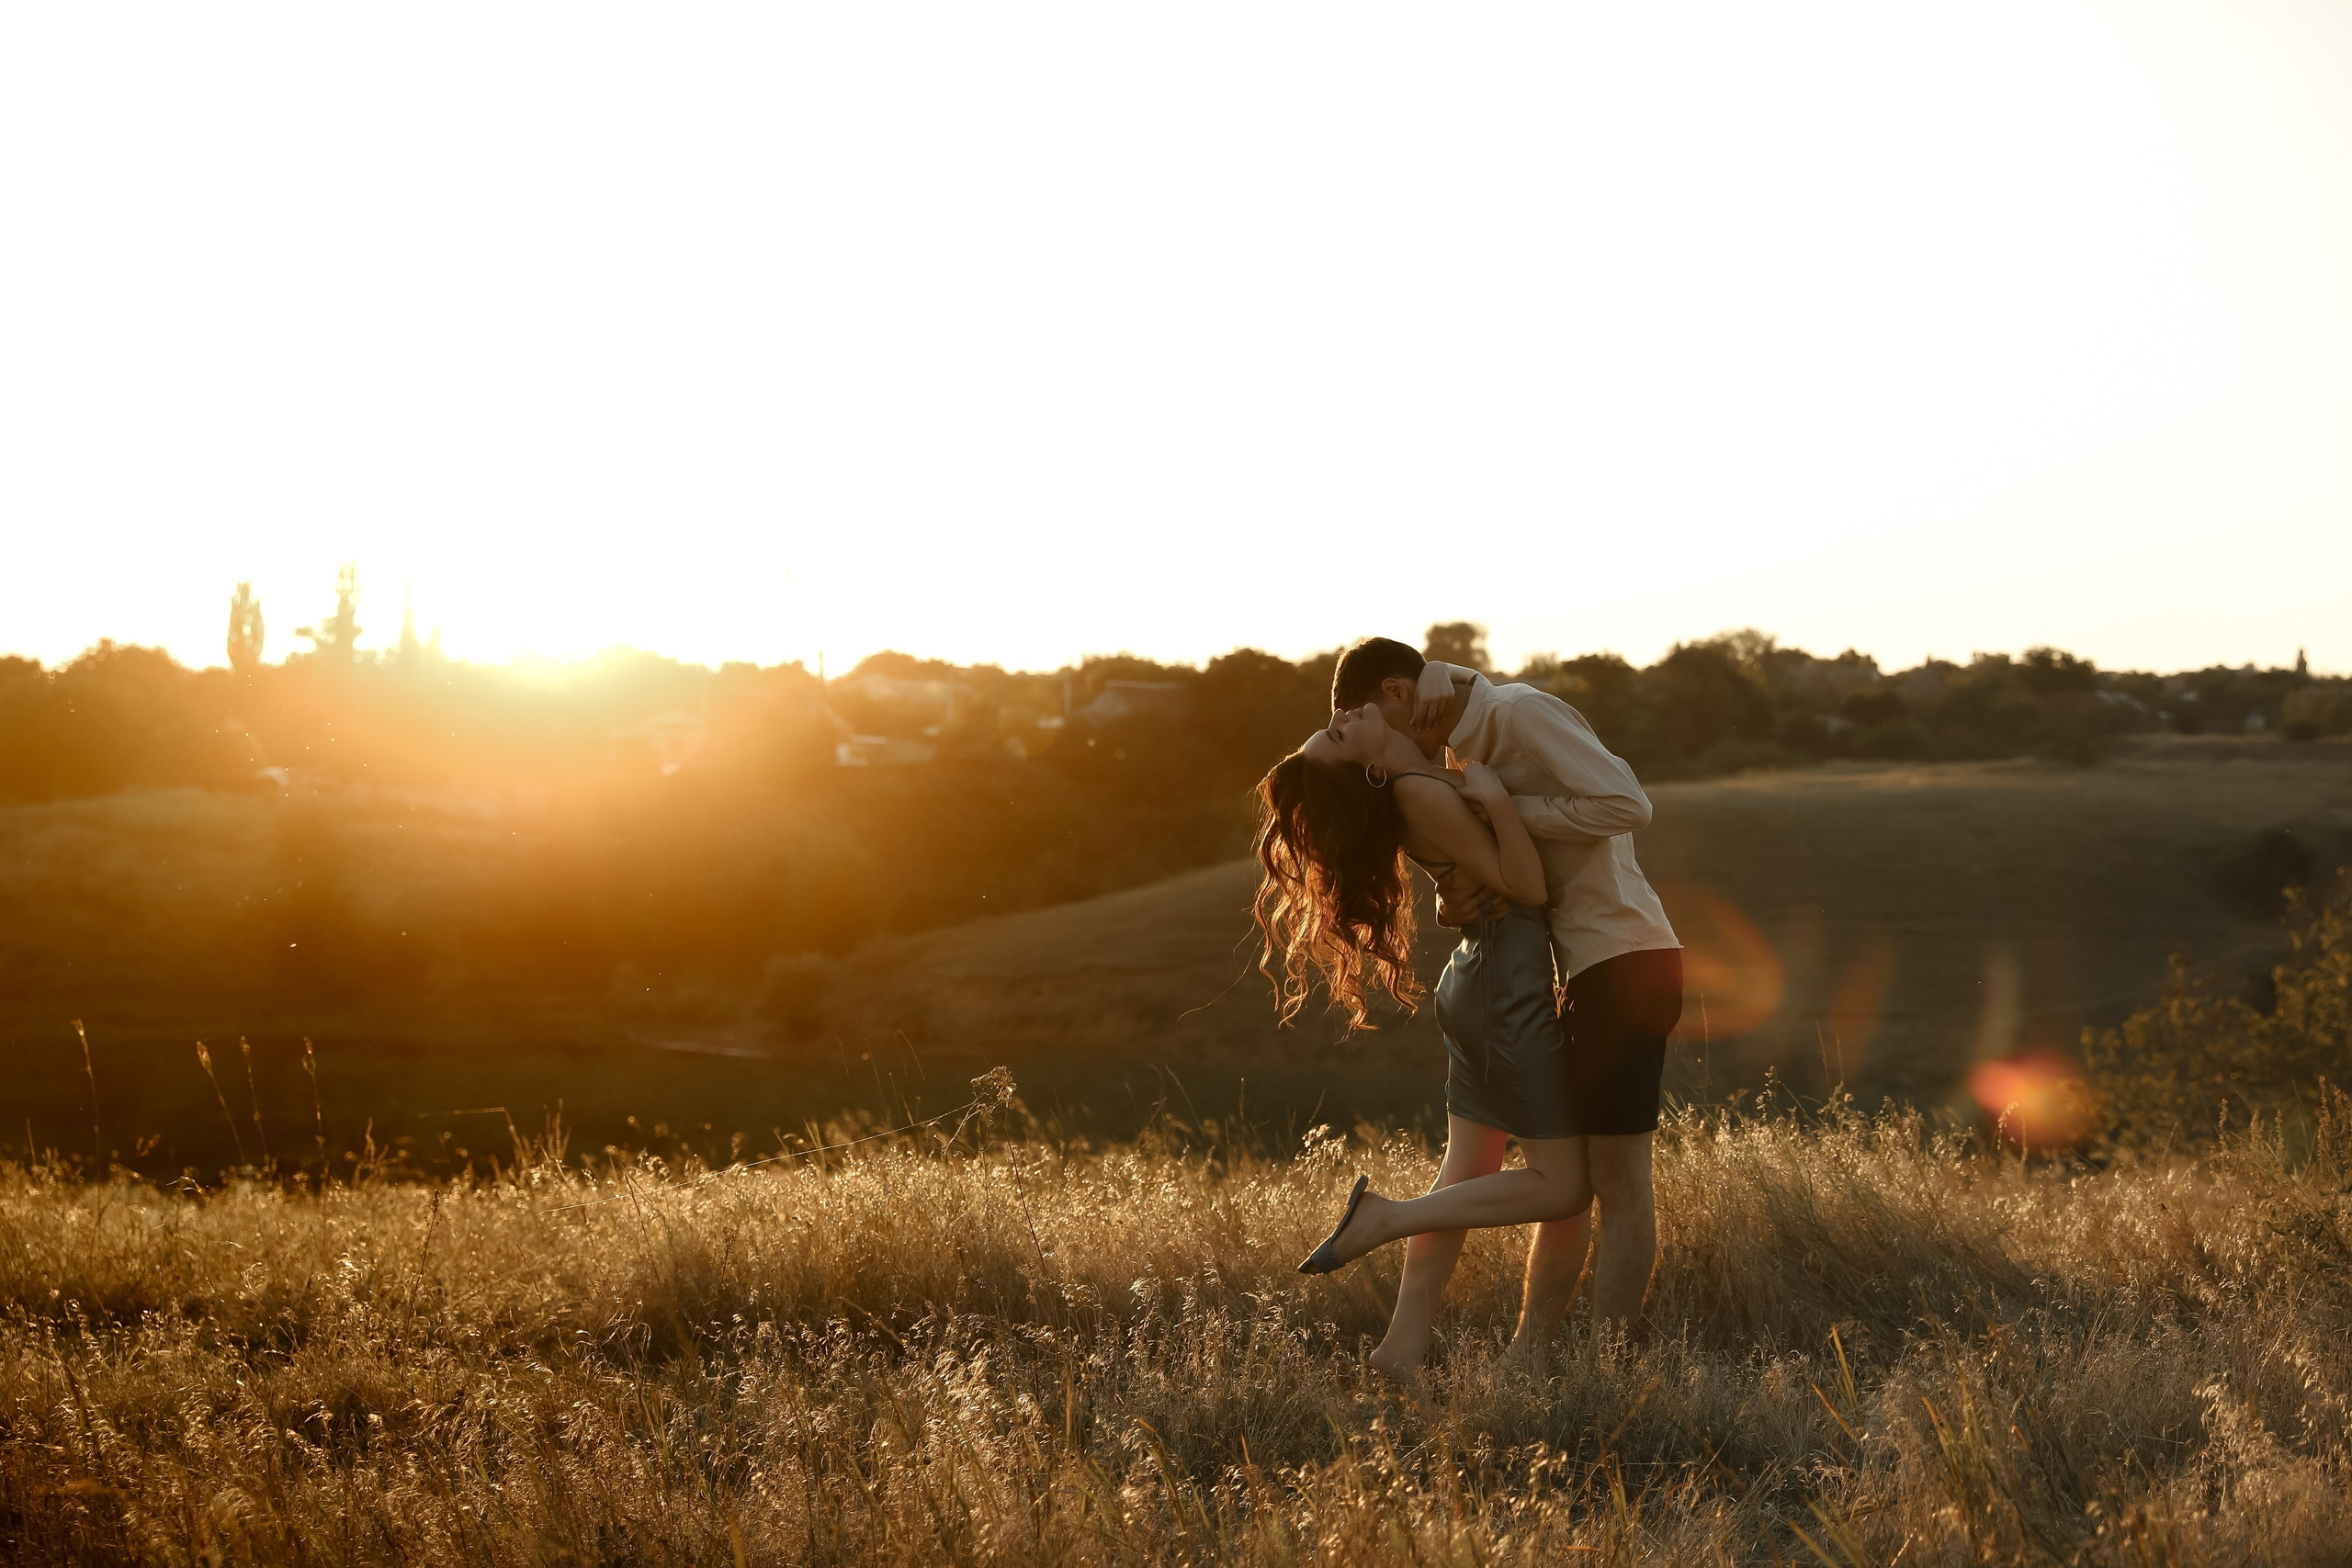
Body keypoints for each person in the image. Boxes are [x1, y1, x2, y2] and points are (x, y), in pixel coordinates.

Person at [1338, 636, 1683, 1369]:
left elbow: (1629, 803)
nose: (1382, 751)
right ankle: (1529, 1361)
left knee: (1618, 1184)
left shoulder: (1521, 714)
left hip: (1625, 958)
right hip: (1578, 970)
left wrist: (1504, 808)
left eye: (1375, 721)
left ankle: (1607, 1372)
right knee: (1574, 1183)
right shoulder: (1458, 755)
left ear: (1399, 695)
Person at [1253, 699, 1599, 1388]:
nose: (1345, 714)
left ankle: (1401, 1346)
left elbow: (1468, 875)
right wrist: (1497, 801)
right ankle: (1386, 1216)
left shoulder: (1421, 784)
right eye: (1337, 730)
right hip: (1505, 989)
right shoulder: (1420, 791)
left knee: (1466, 1174)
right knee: (1565, 1187)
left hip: (1483, 979)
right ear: (1373, 767)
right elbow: (1526, 884)